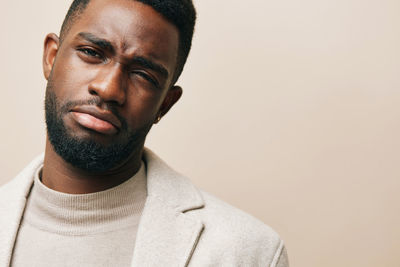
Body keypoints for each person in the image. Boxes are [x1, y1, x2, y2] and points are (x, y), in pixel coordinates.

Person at [0, 0, 289, 266]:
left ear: (165, 103)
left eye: (144, 75)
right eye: (92, 53)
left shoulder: (248, 251)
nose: (109, 88)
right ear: (51, 57)